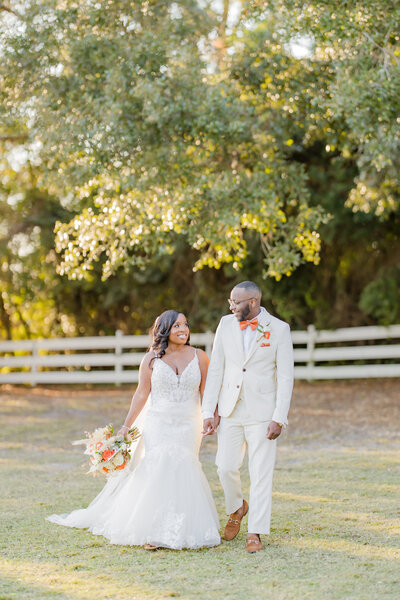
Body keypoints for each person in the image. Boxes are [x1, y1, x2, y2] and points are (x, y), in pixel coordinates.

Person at [47, 310, 220, 550]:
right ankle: (153, 530)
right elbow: (141, 393)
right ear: (164, 330)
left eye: (185, 324)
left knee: (185, 467)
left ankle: (182, 529)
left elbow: (206, 392)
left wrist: (211, 417)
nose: (183, 329)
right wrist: (126, 426)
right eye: (177, 325)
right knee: (158, 468)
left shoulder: (200, 357)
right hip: (158, 422)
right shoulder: (151, 359)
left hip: (189, 423)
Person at [202, 281, 294, 553]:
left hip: (263, 413)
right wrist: (209, 410)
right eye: (230, 302)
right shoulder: (225, 324)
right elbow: (216, 368)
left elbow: (286, 376)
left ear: (253, 302)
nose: (231, 307)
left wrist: (280, 417)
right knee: (225, 467)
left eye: (236, 302)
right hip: (230, 409)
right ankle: (237, 508)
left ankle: (255, 531)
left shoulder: (279, 329)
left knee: (261, 472)